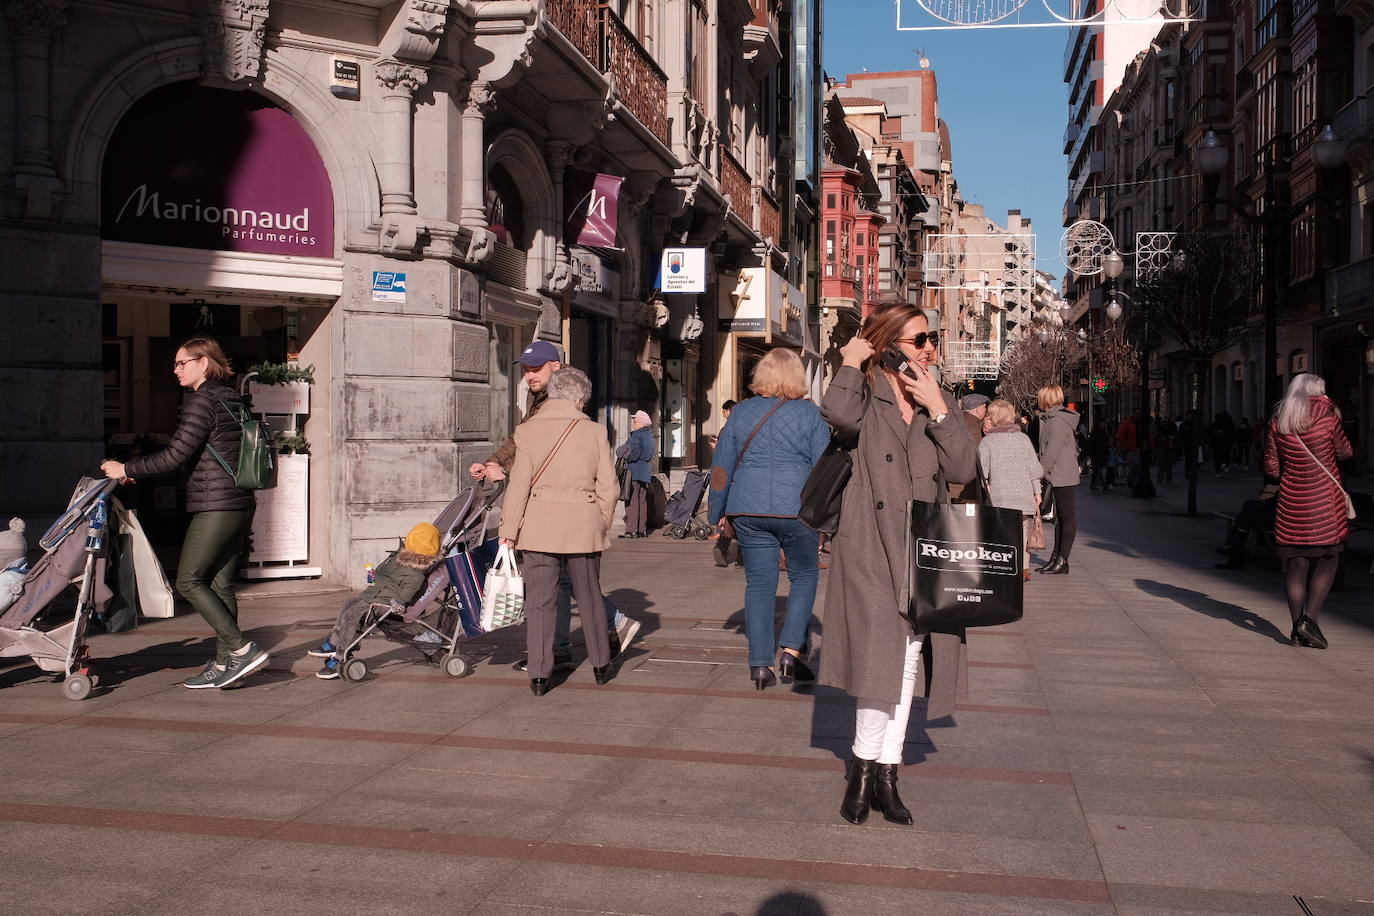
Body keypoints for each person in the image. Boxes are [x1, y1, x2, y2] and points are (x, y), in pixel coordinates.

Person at [819, 304, 975, 827]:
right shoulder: (864, 390)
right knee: (879, 658)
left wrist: (941, 408)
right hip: (869, 545)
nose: (930, 348)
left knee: (908, 659)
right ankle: (865, 770)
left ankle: (887, 771)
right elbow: (837, 416)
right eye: (919, 340)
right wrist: (850, 360)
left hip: (925, 547)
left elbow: (961, 468)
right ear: (888, 344)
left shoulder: (936, 397)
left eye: (932, 339)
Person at [99, 336, 270, 689]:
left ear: (203, 363)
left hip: (216, 505)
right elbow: (198, 454)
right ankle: (226, 665)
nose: (175, 369)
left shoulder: (202, 400)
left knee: (189, 580)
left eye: (181, 363)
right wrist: (137, 472)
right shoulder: (232, 398)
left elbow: (175, 455)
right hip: (240, 501)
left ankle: (241, 648)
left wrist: (125, 468)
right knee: (221, 584)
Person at [473, 340, 634, 668]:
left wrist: (511, 525)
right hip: (567, 517)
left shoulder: (565, 404)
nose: (529, 375)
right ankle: (568, 648)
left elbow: (599, 479)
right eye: (526, 369)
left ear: (556, 367)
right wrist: (494, 463)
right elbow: (518, 442)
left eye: (536, 369)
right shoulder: (538, 402)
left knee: (553, 588)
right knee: (565, 585)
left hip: (547, 515)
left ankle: (552, 656)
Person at [708, 348, 830, 690]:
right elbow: (824, 468)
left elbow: (721, 468)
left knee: (759, 585)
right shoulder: (811, 415)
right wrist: (826, 517)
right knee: (804, 576)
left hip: (748, 508)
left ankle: (760, 666)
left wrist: (717, 513)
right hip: (798, 507)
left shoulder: (741, 413)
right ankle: (791, 650)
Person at [499, 368, 619, 694]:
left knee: (539, 602)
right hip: (583, 522)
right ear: (579, 398)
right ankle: (600, 663)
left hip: (538, 525)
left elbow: (518, 486)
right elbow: (609, 487)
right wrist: (601, 521)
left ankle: (539, 674)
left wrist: (508, 529)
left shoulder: (528, 430)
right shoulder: (594, 431)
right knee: (590, 596)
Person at [1263, 374, 1355, 649]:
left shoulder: (1280, 422)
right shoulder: (1328, 417)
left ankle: (1295, 627)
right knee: (1328, 559)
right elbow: (1345, 452)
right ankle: (1310, 619)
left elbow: (1271, 468)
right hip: (1325, 502)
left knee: (1297, 563)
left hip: (1292, 503)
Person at [309, 523, 441, 678]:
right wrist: (372, 575)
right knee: (348, 604)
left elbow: (405, 595)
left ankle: (340, 655)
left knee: (352, 616)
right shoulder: (399, 561)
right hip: (375, 595)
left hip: (384, 603)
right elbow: (382, 574)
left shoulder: (415, 575)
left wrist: (397, 602)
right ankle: (334, 642)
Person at [977, 399, 1044, 581]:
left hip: (999, 495)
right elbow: (1034, 470)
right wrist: (1037, 492)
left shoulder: (988, 441)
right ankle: (1022, 568)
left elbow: (982, 472)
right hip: (1023, 495)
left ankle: (1003, 565)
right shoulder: (1023, 439)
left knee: (1000, 532)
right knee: (1022, 531)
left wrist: (987, 487)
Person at [1035, 385, 1081, 575]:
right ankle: (1057, 558)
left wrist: (1037, 474)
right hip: (1058, 473)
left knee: (1066, 517)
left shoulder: (1057, 421)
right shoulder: (1052, 419)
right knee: (1060, 519)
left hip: (1061, 474)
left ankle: (1062, 559)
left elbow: (1050, 452)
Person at [1213, 478, 1279, 571]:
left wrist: (1269, 490)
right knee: (1246, 513)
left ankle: (1233, 550)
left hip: (1276, 518)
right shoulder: (1277, 481)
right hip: (1272, 515)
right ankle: (1234, 551)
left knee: (1247, 512)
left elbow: (1265, 498)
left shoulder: (1278, 481)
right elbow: (1264, 498)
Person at [712, 400, 743, 568]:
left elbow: (723, 458)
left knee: (728, 516)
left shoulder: (726, 430)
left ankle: (722, 546)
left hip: (728, 477)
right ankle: (740, 557)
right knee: (741, 518)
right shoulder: (744, 428)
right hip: (742, 477)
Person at [618, 411, 654, 538]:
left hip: (634, 471)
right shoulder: (649, 435)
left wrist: (622, 453)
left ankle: (631, 530)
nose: (633, 423)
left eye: (635, 421)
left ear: (641, 423)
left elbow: (634, 454)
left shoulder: (637, 436)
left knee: (631, 501)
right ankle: (642, 529)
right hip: (644, 472)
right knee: (642, 500)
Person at [949, 393, 988, 502]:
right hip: (966, 485)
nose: (985, 411)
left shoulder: (957, 422)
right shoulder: (972, 427)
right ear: (979, 410)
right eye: (984, 407)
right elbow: (978, 455)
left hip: (954, 482)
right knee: (965, 516)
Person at [1115, 410, 1139, 487]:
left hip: (1139, 448)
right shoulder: (1127, 424)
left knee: (1137, 466)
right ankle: (1131, 480)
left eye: (1139, 413)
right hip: (1130, 449)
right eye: (1137, 412)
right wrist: (1124, 447)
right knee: (1135, 465)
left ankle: (1134, 480)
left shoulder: (1141, 423)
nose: (1138, 414)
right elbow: (1122, 436)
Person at [1209, 411, 1235, 478]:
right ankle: (1217, 470)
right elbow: (1210, 433)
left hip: (1221, 444)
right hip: (1217, 444)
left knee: (1219, 458)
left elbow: (1228, 433)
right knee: (1218, 458)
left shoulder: (1223, 425)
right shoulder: (1215, 425)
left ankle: (1218, 470)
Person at [1089, 417, 1111, 490]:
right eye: (1102, 423)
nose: (1103, 424)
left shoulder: (1103, 432)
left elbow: (1105, 444)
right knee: (1098, 469)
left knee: (1097, 470)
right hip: (1097, 454)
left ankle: (1094, 484)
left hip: (1100, 454)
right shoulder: (1097, 432)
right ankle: (1101, 484)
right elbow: (1093, 444)